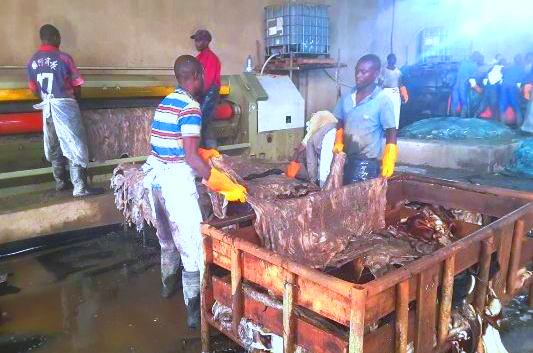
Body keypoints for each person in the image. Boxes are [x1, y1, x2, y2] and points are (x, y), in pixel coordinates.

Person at [142, 55, 246, 329]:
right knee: (191, 248)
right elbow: (189, 156)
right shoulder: (190, 107)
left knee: (166, 240)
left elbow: (167, 144)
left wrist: (200, 152)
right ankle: (193, 310)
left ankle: (167, 287)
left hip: (155, 182)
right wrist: (218, 180)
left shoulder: (166, 102)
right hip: (175, 185)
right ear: (197, 75)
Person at [27, 24, 103, 197]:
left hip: (48, 107)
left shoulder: (32, 61)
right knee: (74, 143)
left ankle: (61, 182)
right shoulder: (63, 58)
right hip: (65, 105)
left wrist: (46, 97)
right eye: (59, 37)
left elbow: (32, 89)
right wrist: (78, 102)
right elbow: (77, 84)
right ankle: (80, 187)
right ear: (54, 37)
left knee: (54, 144)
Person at [333, 54, 398, 183]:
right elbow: (339, 121)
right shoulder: (346, 97)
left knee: (359, 201)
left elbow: (391, 132)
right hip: (344, 159)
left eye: (363, 72)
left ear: (376, 74)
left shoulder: (382, 100)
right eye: (357, 71)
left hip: (367, 164)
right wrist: (339, 139)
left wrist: (389, 158)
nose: (358, 75)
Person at [286, 111, 338, 187]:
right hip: (335, 129)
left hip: (328, 139)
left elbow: (312, 162)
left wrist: (313, 181)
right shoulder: (321, 125)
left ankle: (322, 186)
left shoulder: (313, 135)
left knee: (324, 168)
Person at [191, 29, 221, 148]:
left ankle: (210, 152)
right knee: (204, 123)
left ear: (207, 42)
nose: (196, 43)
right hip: (202, 94)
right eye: (196, 40)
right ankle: (208, 153)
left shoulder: (211, 58)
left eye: (199, 40)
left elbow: (207, 80)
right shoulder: (198, 58)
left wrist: (196, 93)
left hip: (209, 94)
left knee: (202, 122)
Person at [451, 52, 484, 117]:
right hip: (464, 87)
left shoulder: (463, 62)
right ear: (476, 58)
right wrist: (479, 89)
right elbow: (472, 81)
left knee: (455, 103)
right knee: (465, 103)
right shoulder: (473, 65)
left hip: (456, 86)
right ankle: (463, 120)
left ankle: (453, 119)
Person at [380, 53, 409, 128]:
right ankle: (384, 129)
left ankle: (394, 129)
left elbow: (400, 84)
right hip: (385, 92)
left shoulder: (398, 72)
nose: (392, 61)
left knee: (395, 111)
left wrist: (403, 94)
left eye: (394, 59)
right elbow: (380, 83)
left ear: (395, 61)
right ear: (388, 60)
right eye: (390, 59)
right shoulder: (383, 71)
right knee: (385, 111)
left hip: (395, 92)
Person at [475, 55, 505, 119]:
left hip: (488, 87)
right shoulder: (502, 68)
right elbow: (502, 80)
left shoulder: (492, 67)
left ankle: (474, 118)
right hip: (493, 88)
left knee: (483, 105)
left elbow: (485, 76)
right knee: (493, 106)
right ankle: (495, 122)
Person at [500, 54, 526, 126]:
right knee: (517, 107)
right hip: (513, 87)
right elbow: (522, 81)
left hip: (504, 87)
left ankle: (503, 126)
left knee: (503, 107)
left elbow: (503, 74)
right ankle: (519, 127)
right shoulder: (522, 69)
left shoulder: (509, 67)